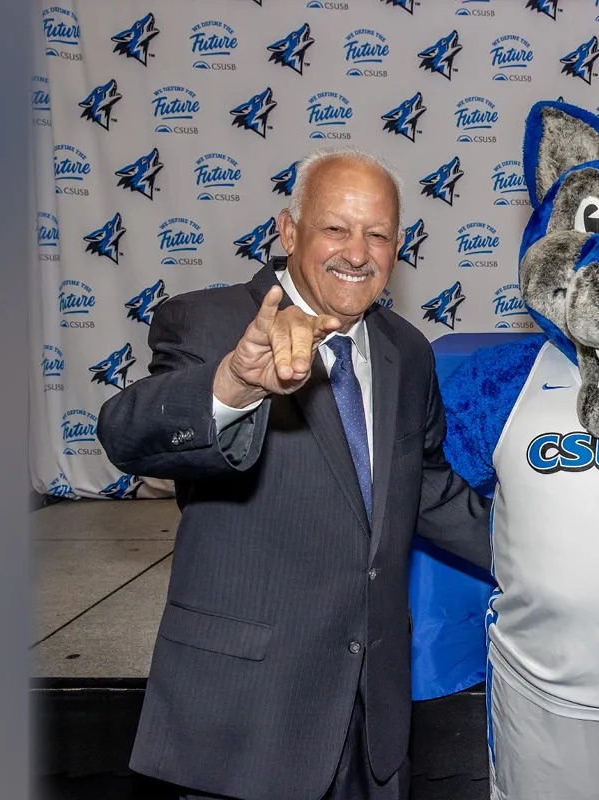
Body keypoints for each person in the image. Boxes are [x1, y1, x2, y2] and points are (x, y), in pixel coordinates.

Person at [97, 147, 491, 800]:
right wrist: (232, 385)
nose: (357, 253)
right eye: (336, 228)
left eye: (378, 234)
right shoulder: (210, 322)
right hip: (246, 724)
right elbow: (126, 434)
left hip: (373, 727)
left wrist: (540, 552)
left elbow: (423, 486)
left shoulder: (408, 351)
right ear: (289, 231)